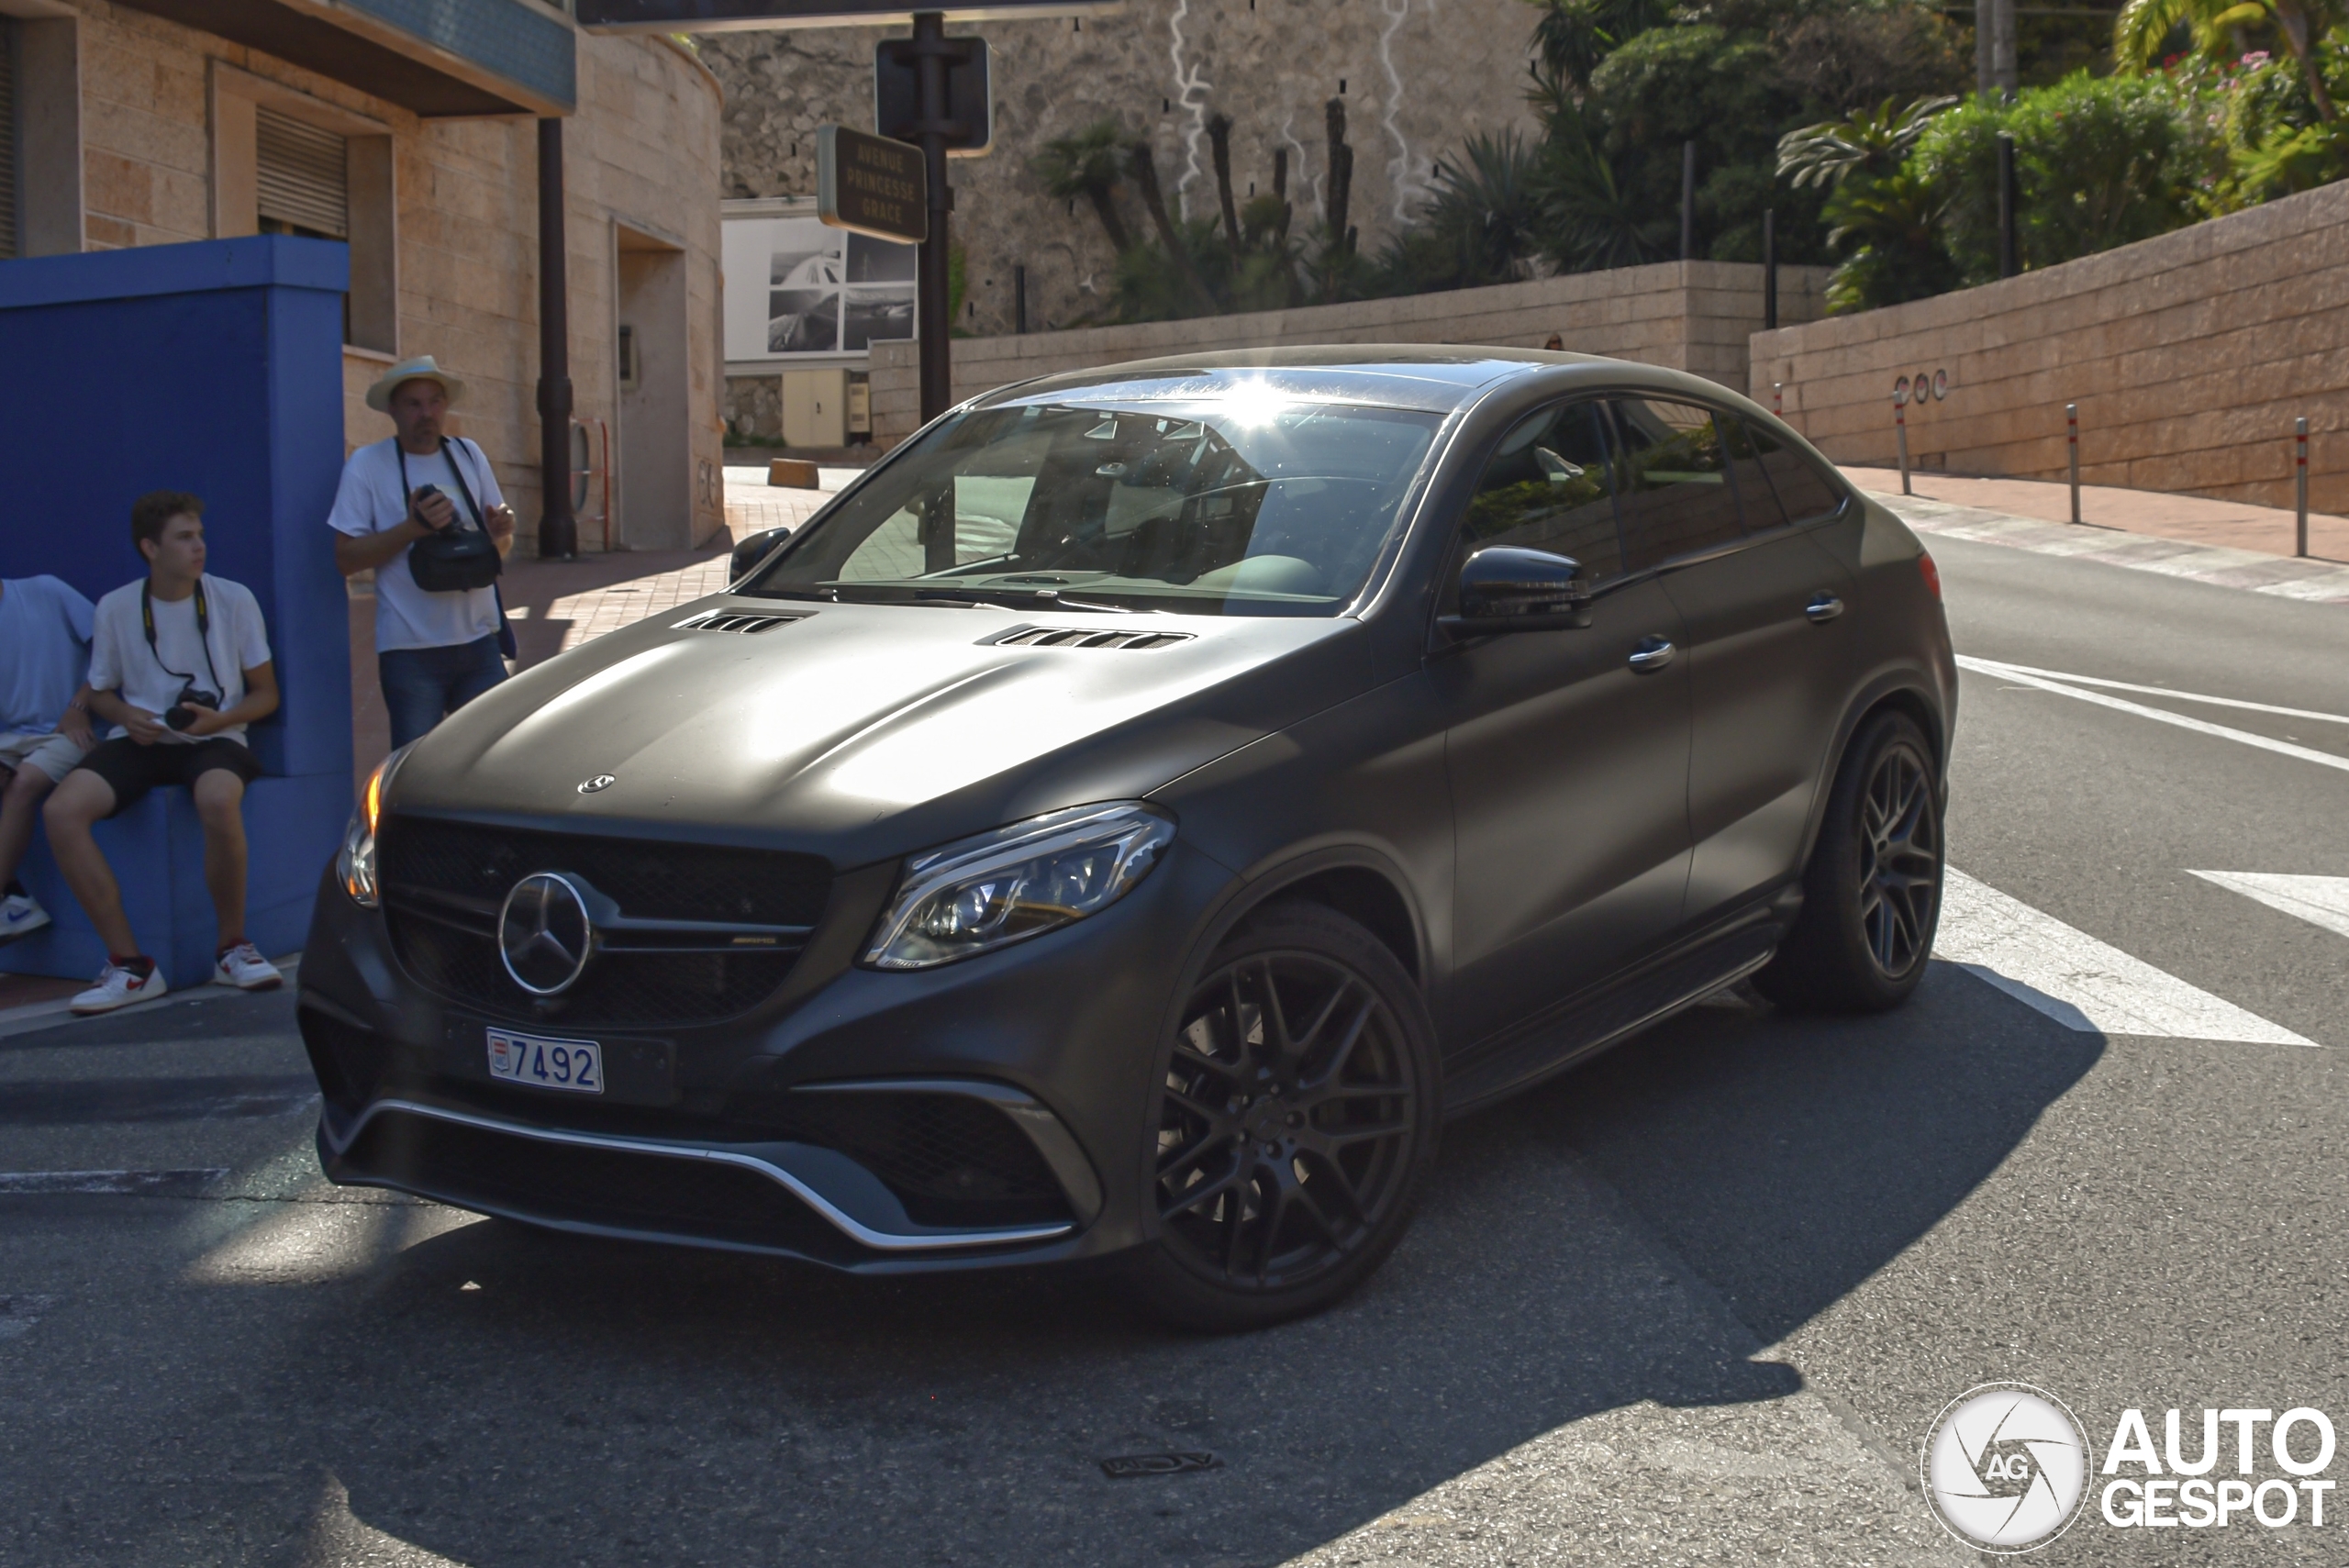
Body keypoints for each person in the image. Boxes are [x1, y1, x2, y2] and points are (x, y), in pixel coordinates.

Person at [42, 493, 283, 1013]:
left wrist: (221, 718)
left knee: (218, 800)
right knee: (61, 811)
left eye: (200, 535)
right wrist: (125, 715)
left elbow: (266, 694)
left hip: (217, 736)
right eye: (184, 537)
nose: (199, 546)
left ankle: (232, 949)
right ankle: (130, 966)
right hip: (141, 738)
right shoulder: (116, 606)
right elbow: (102, 689)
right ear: (151, 548)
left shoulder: (233, 599)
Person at [329, 355, 518, 750]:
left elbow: (498, 551)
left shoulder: (468, 455)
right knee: (414, 775)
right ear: (393, 410)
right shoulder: (367, 465)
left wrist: (501, 532)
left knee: (495, 761)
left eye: (434, 401)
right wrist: (413, 528)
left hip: (479, 643)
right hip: (411, 650)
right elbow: (345, 558)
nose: (426, 413)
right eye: (413, 404)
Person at [0, 574, 97, 941]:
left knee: (24, 783)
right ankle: (14, 900)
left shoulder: (47, 590)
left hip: (74, 731)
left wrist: (79, 706)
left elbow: (110, 648)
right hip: (14, 736)